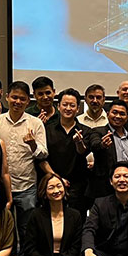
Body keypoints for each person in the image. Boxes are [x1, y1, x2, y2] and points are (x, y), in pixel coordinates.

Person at [0, 80, 48, 256]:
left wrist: (33, 145)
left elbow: (43, 154)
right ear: (7, 97)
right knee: (3, 227)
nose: (17, 102)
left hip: (27, 185)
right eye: (14, 97)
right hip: (1, 185)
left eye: (22, 99)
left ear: (28, 101)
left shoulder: (35, 123)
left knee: (27, 229)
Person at [43, 88, 92, 216]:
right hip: (52, 183)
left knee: (76, 220)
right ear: (58, 107)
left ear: (78, 109)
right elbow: (42, 158)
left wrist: (78, 142)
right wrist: (57, 179)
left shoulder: (85, 131)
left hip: (78, 186)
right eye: (65, 105)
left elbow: (83, 152)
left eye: (72, 105)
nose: (68, 108)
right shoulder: (47, 129)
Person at [87, 100, 128, 200]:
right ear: (108, 114)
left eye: (122, 114)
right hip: (104, 188)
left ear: (127, 118)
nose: (118, 116)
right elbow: (94, 145)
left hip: (126, 187)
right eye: (114, 112)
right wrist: (102, 145)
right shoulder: (98, 131)